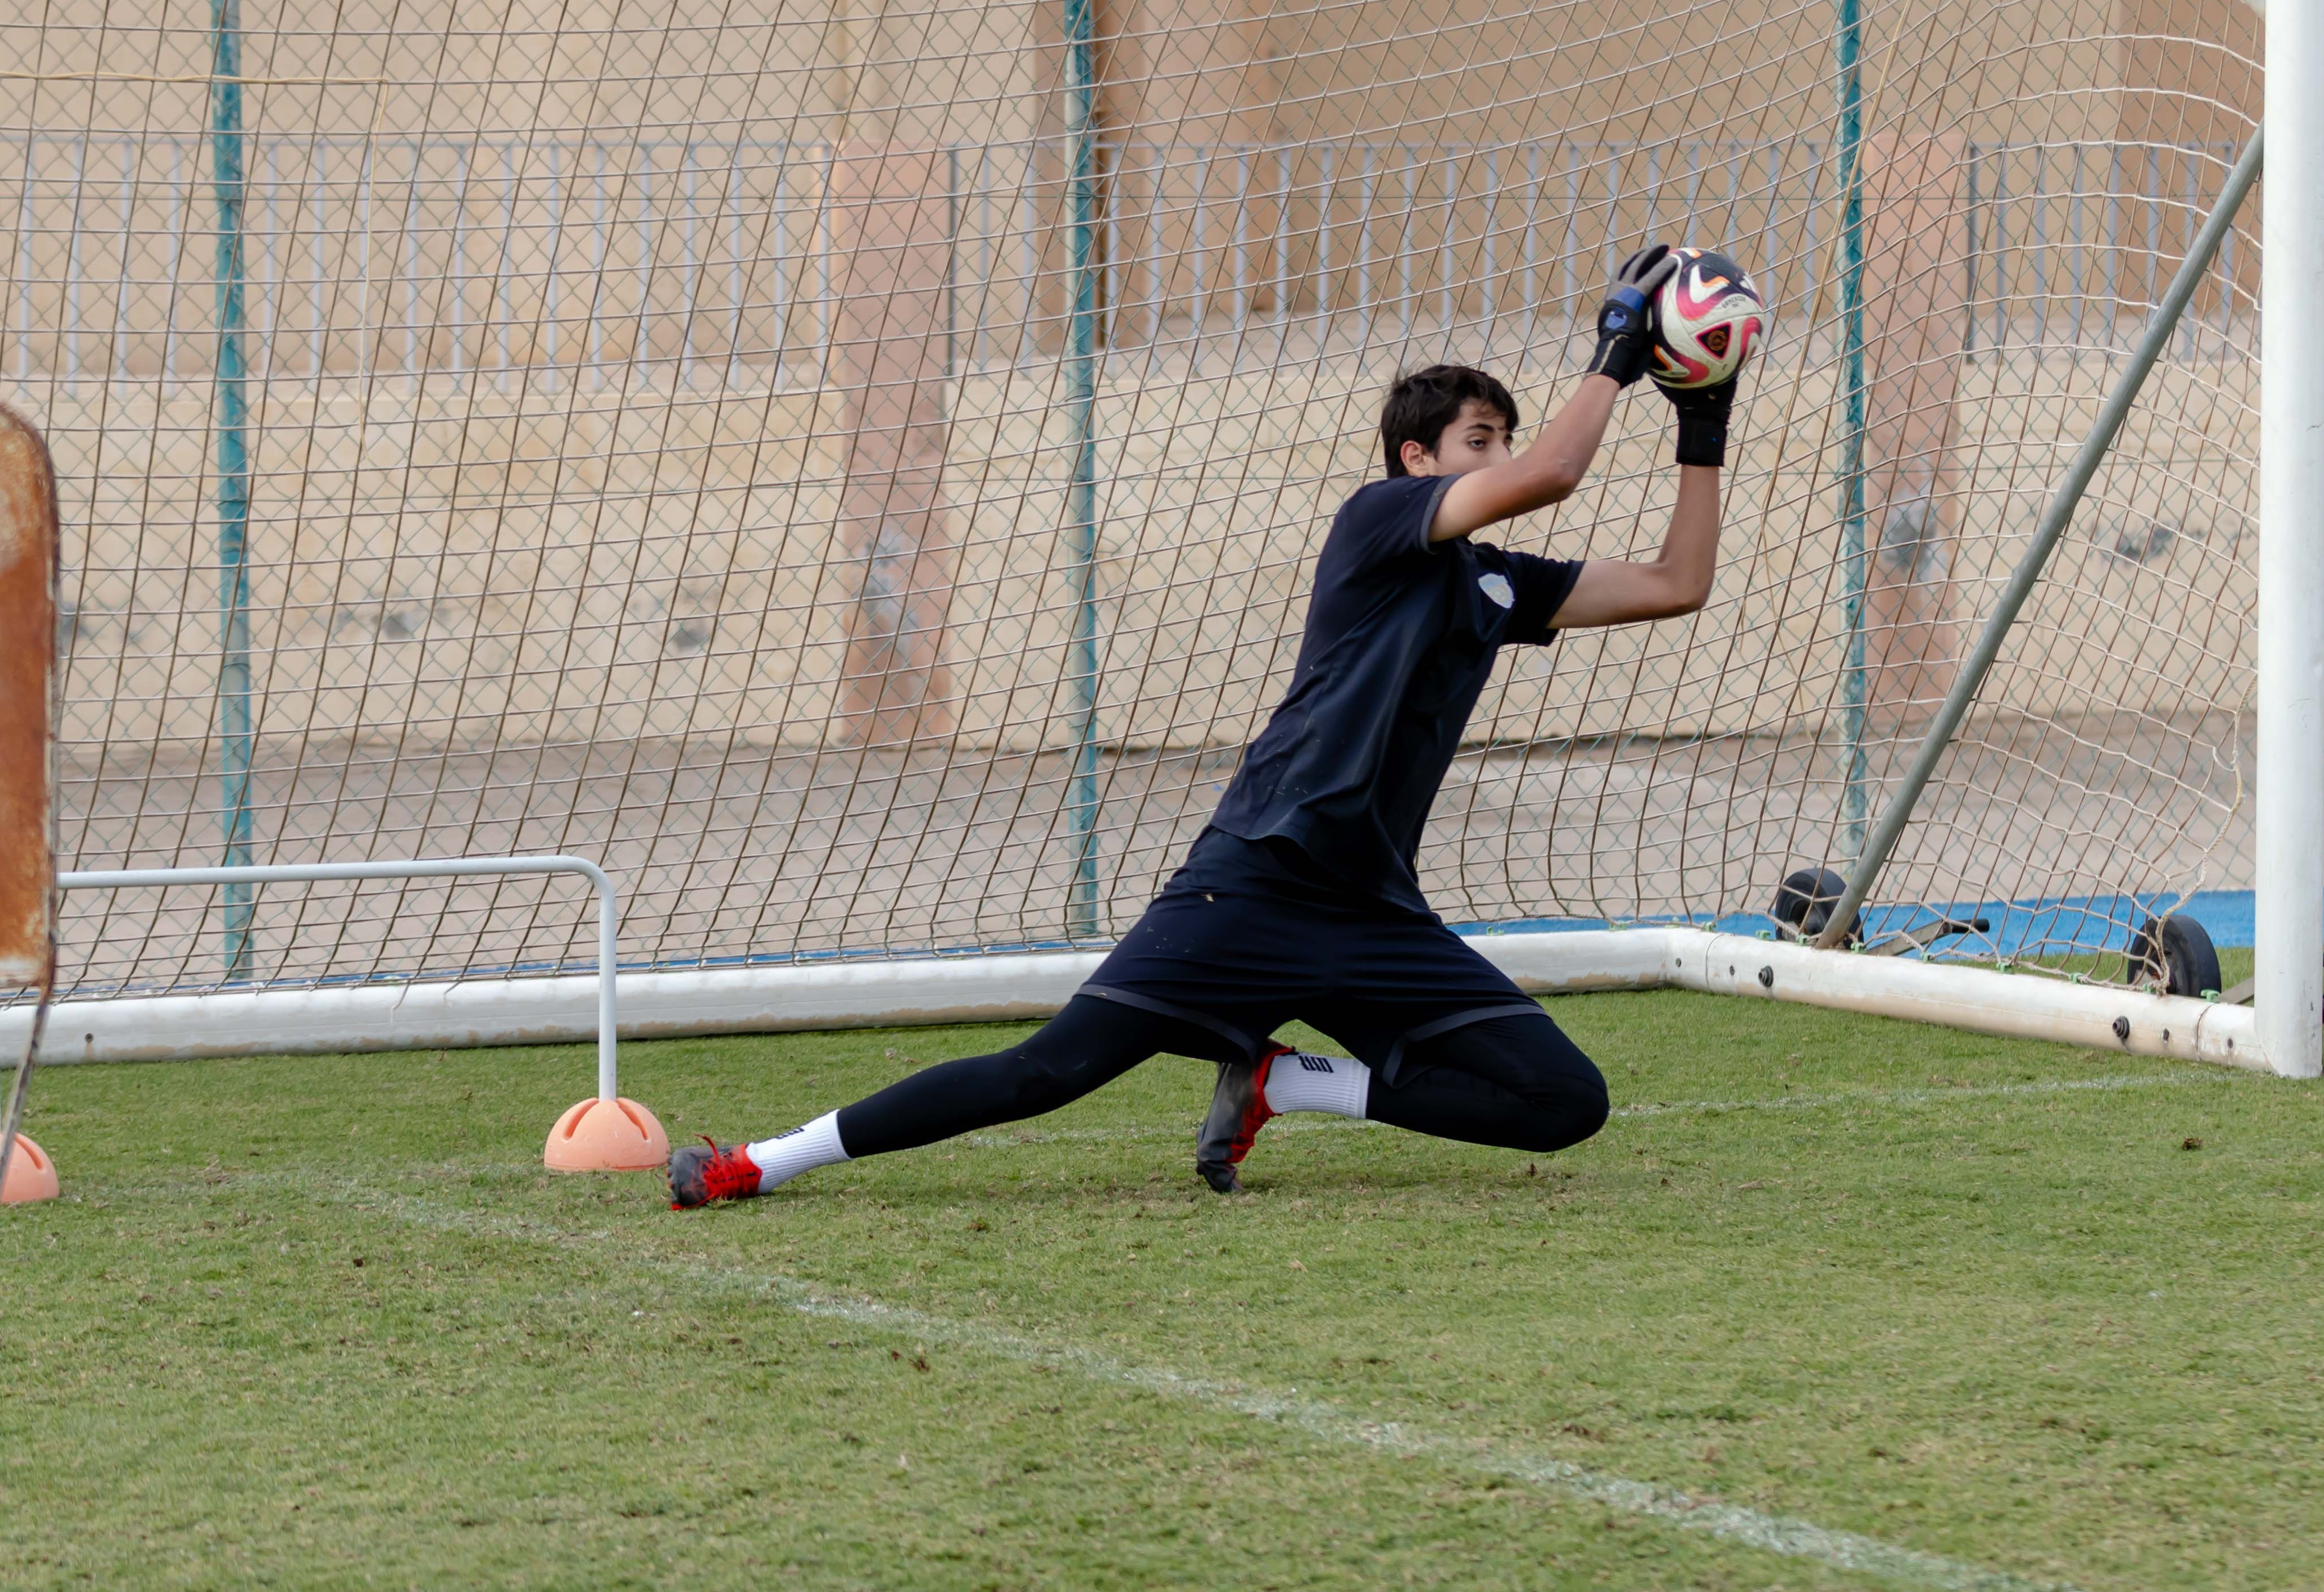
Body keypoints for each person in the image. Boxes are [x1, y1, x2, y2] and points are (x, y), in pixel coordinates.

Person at [666, 244, 1732, 1208]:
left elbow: (1678, 582)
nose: (1500, 453)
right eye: (1478, 439)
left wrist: (1701, 420)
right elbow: (1552, 472)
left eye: (1500, 436)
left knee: (1563, 1100)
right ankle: (759, 1160)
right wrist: (1616, 353)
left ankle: (1291, 1079)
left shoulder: (1498, 583)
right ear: (1416, 459)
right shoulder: (1375, 523)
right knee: (1046, 1072)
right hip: (1256, 880)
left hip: (1374, 913)